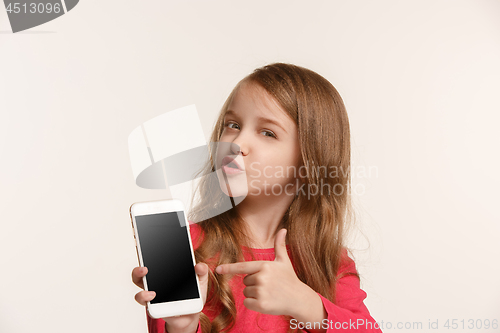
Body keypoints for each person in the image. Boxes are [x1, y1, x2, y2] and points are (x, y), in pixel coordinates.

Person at [132, 63, 383, 333]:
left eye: (268, 132)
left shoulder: (328, 260)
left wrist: (306, 305)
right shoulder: (186, 247)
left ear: (308, 162)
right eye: (233, 125)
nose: (237, 143)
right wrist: (182, 327)